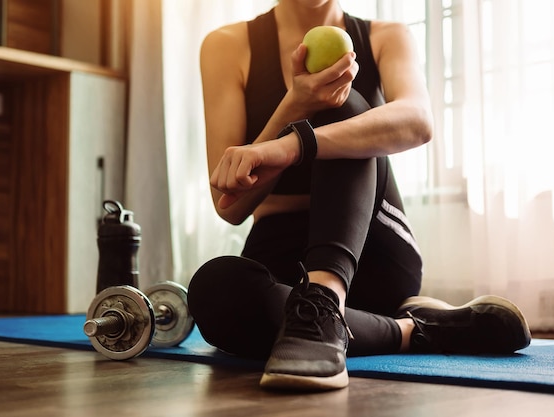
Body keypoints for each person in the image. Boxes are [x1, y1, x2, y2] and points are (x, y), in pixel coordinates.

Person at [188, 0, 531, 392]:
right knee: (213, 289)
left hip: (373, 247)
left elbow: (418, 120)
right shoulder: (227, 45)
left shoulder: (387, 36)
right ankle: (412, 330)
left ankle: (325, 296)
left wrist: (295, 146)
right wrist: (296, 104)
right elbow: (230, 205)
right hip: (281, 258)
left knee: (345, 107)